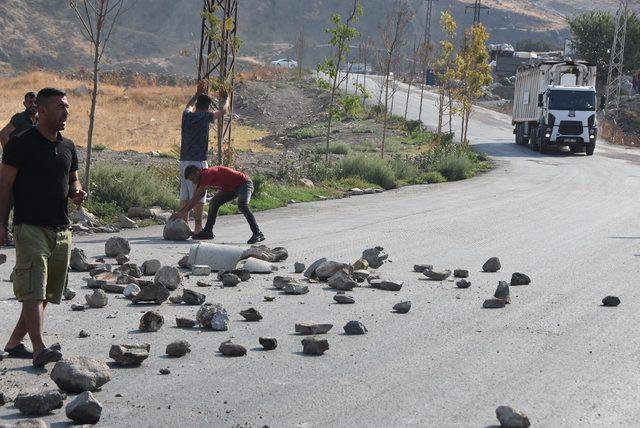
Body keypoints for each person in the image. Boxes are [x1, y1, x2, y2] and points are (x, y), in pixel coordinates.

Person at [0, 88, 86, 367]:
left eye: (68, 106)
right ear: (43, 110)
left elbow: (74, 179)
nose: (66, 112)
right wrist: (1, 224)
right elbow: (4, 185)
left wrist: (76, 190)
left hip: (61, 229)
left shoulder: (68, 146)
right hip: (30, 226)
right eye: (61, 107)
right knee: (34, 290)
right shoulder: (20, 142)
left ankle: (14, 344)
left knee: (46, 293)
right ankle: (39, 349)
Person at [179, 81, 230, 234]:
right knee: (199, 194)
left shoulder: (187, 115)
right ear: (207, 107)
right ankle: (198, 227)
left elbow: (187, 106)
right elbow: (223, 111)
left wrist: (196, 94)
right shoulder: (204, 116)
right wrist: (226, 98)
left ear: (196, 105)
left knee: (185, 193)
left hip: (183, 160)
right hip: (198, 161)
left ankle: (183, 225)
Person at [171, 165, 265, 244]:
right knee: (214, 203)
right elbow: (196, 197)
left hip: (244, 184)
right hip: (230, 189)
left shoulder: (206, 174)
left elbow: (196, 197)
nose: (193, 182)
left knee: (242, 205)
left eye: (193, 179)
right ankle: (208, 232)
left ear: (197, 173)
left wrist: (181, 213)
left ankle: (258, 233)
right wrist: (181, 212)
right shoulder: (202, 179)